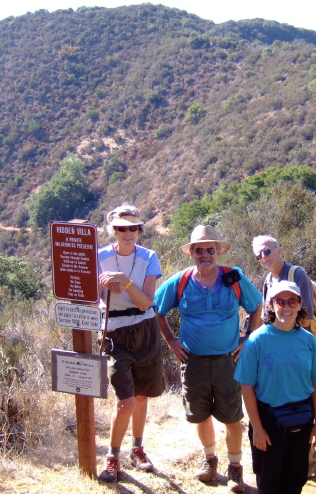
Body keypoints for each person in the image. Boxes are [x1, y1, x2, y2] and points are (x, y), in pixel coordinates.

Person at [155, 225, 262, 493]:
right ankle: (210, 462)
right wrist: (170, 340)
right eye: (199, 250)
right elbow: (157, 309)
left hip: (228, 360)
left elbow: (256, 305)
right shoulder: (180, 281)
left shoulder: (233, 277)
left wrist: (248, 338)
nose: (205, 254)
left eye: (210, 250)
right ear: (191, 252)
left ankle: (235, 468)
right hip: (194, 361)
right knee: (200, 414)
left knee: (232, 416)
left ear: (218, 252)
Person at [235, 281, 316, 494]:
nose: (286, 307)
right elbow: (246, 387)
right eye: (280, 302)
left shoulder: (308, 340)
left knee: (295, 479)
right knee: (269, 482)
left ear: (300, 304)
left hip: (302, 418)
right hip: (268, 422)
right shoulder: (256, 341)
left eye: (292, 301)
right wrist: (257, 428)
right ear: (271, 306)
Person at [96, 205, 165, 483]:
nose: (128, 233)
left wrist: (123, 281)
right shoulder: (99, 256)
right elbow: (90, 295)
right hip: (115, 332)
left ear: (140, 230)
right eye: (121, 228)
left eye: (133, 227)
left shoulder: (149, 257)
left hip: (145, 329)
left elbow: (146, 302)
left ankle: (137, 449)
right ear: (113, 230)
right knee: (124, 400)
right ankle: (112, 456)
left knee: (141, 395)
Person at [250, 234, 316, 476]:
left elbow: (307, 316)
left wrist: (298, 346)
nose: (263, 257)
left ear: (279, 250)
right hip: (272, 349)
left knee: (302, 396)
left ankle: (308, 456)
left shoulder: (296, 275)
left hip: (296, 347)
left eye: (267, 251)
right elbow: (265, 317)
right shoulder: (268, 280)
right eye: (259, 255)